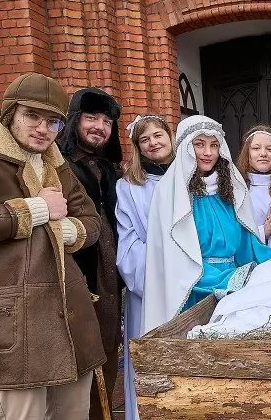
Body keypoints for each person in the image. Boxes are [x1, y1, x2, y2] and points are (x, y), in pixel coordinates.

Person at [0, 73, 105, 419]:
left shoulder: (55, 164)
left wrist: (69, 230)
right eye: (33, 116)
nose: (43, 129)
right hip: (17, 314)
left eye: (54, 122)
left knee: (73, 412)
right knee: (24, 414)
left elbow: (92, 221)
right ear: (10, 113)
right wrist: (36, 209)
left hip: (69, 312)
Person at [141, 115, 271, 334]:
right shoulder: (171, 193)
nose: (208, 153)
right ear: (186, 147)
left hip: (233, 293)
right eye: (199, 144)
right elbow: (178, 260)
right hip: (194, 293)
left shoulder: (230, 189)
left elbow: (246, 244)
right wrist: (229, 281)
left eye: (214, 145)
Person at [57, 86, 123, 419]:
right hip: (75, 276)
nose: (99, 126)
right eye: (91, 118)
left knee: (107, 354)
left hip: (109, 278)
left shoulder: (110, 169)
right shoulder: (57, 164)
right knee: (77, 362)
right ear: (74, 120)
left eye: (106, 121)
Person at [115, 114, 175, 420]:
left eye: (158, 135)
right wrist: (163, 270)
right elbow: (127, 243)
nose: (153, 143)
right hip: (149, 287)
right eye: (144, 139)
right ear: (138, 147)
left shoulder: (189, 176)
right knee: (149, 364)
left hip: (192, 286)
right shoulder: (128, 187)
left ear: (170, 136)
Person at [236, 124, 271, 251]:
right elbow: (231, 231)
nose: (263, 153)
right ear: (247, 153)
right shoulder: (237, 188)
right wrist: (262, 231)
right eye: (256, 148)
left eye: (270, 149)